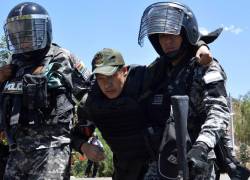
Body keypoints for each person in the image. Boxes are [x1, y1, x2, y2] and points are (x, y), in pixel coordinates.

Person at [137, 1, 246, 180]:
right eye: (162, 36)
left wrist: (201, 147)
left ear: (186, 34)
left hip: (195, 161)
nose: (167, 41)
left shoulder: (204, 67)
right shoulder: (156, 71)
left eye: (173, 34)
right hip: (161, 160)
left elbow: (219, 112)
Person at [71, 45, 212, 180]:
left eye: (111, 76)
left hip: (160, 167)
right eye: (101, 79)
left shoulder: (144, 80)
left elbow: (176, 54)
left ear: (124, 71)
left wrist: (201, 45)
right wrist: (84, 147)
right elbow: (73, 135)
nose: (107, 85)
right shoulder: (93, 103)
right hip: (125, 171)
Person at [1, 2, 90, 179]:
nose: (23, 40)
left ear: (42, 30)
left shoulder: (62, 57)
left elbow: (92, 98)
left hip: (52, 151)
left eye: (27, 33)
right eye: (17, 34)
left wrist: (79, 141)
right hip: (18, 150)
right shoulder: (14, 63)